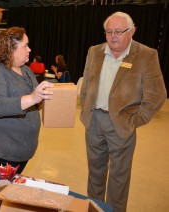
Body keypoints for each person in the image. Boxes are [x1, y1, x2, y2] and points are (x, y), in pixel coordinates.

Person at [80, 11, 167, 212]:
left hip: (121, 123)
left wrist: (135, 119)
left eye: (118, 31)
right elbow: (86, 85)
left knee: (119, 176)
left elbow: (157, 95)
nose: (113, 36)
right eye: (108, 31)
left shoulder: (146, 55)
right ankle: (94, 208)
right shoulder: (95, 51)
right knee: (95, 171)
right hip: (94, 121)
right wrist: (86, 108)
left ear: (132, 31)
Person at [0, 27, 54, 174]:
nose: (29, 49)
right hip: (3, 150)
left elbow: (34, 97)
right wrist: (32, 98)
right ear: (10, 49)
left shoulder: (25, 69)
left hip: (22, 148)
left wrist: (40, 99)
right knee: (2, 189)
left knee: (11, 185)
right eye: (25, 46)